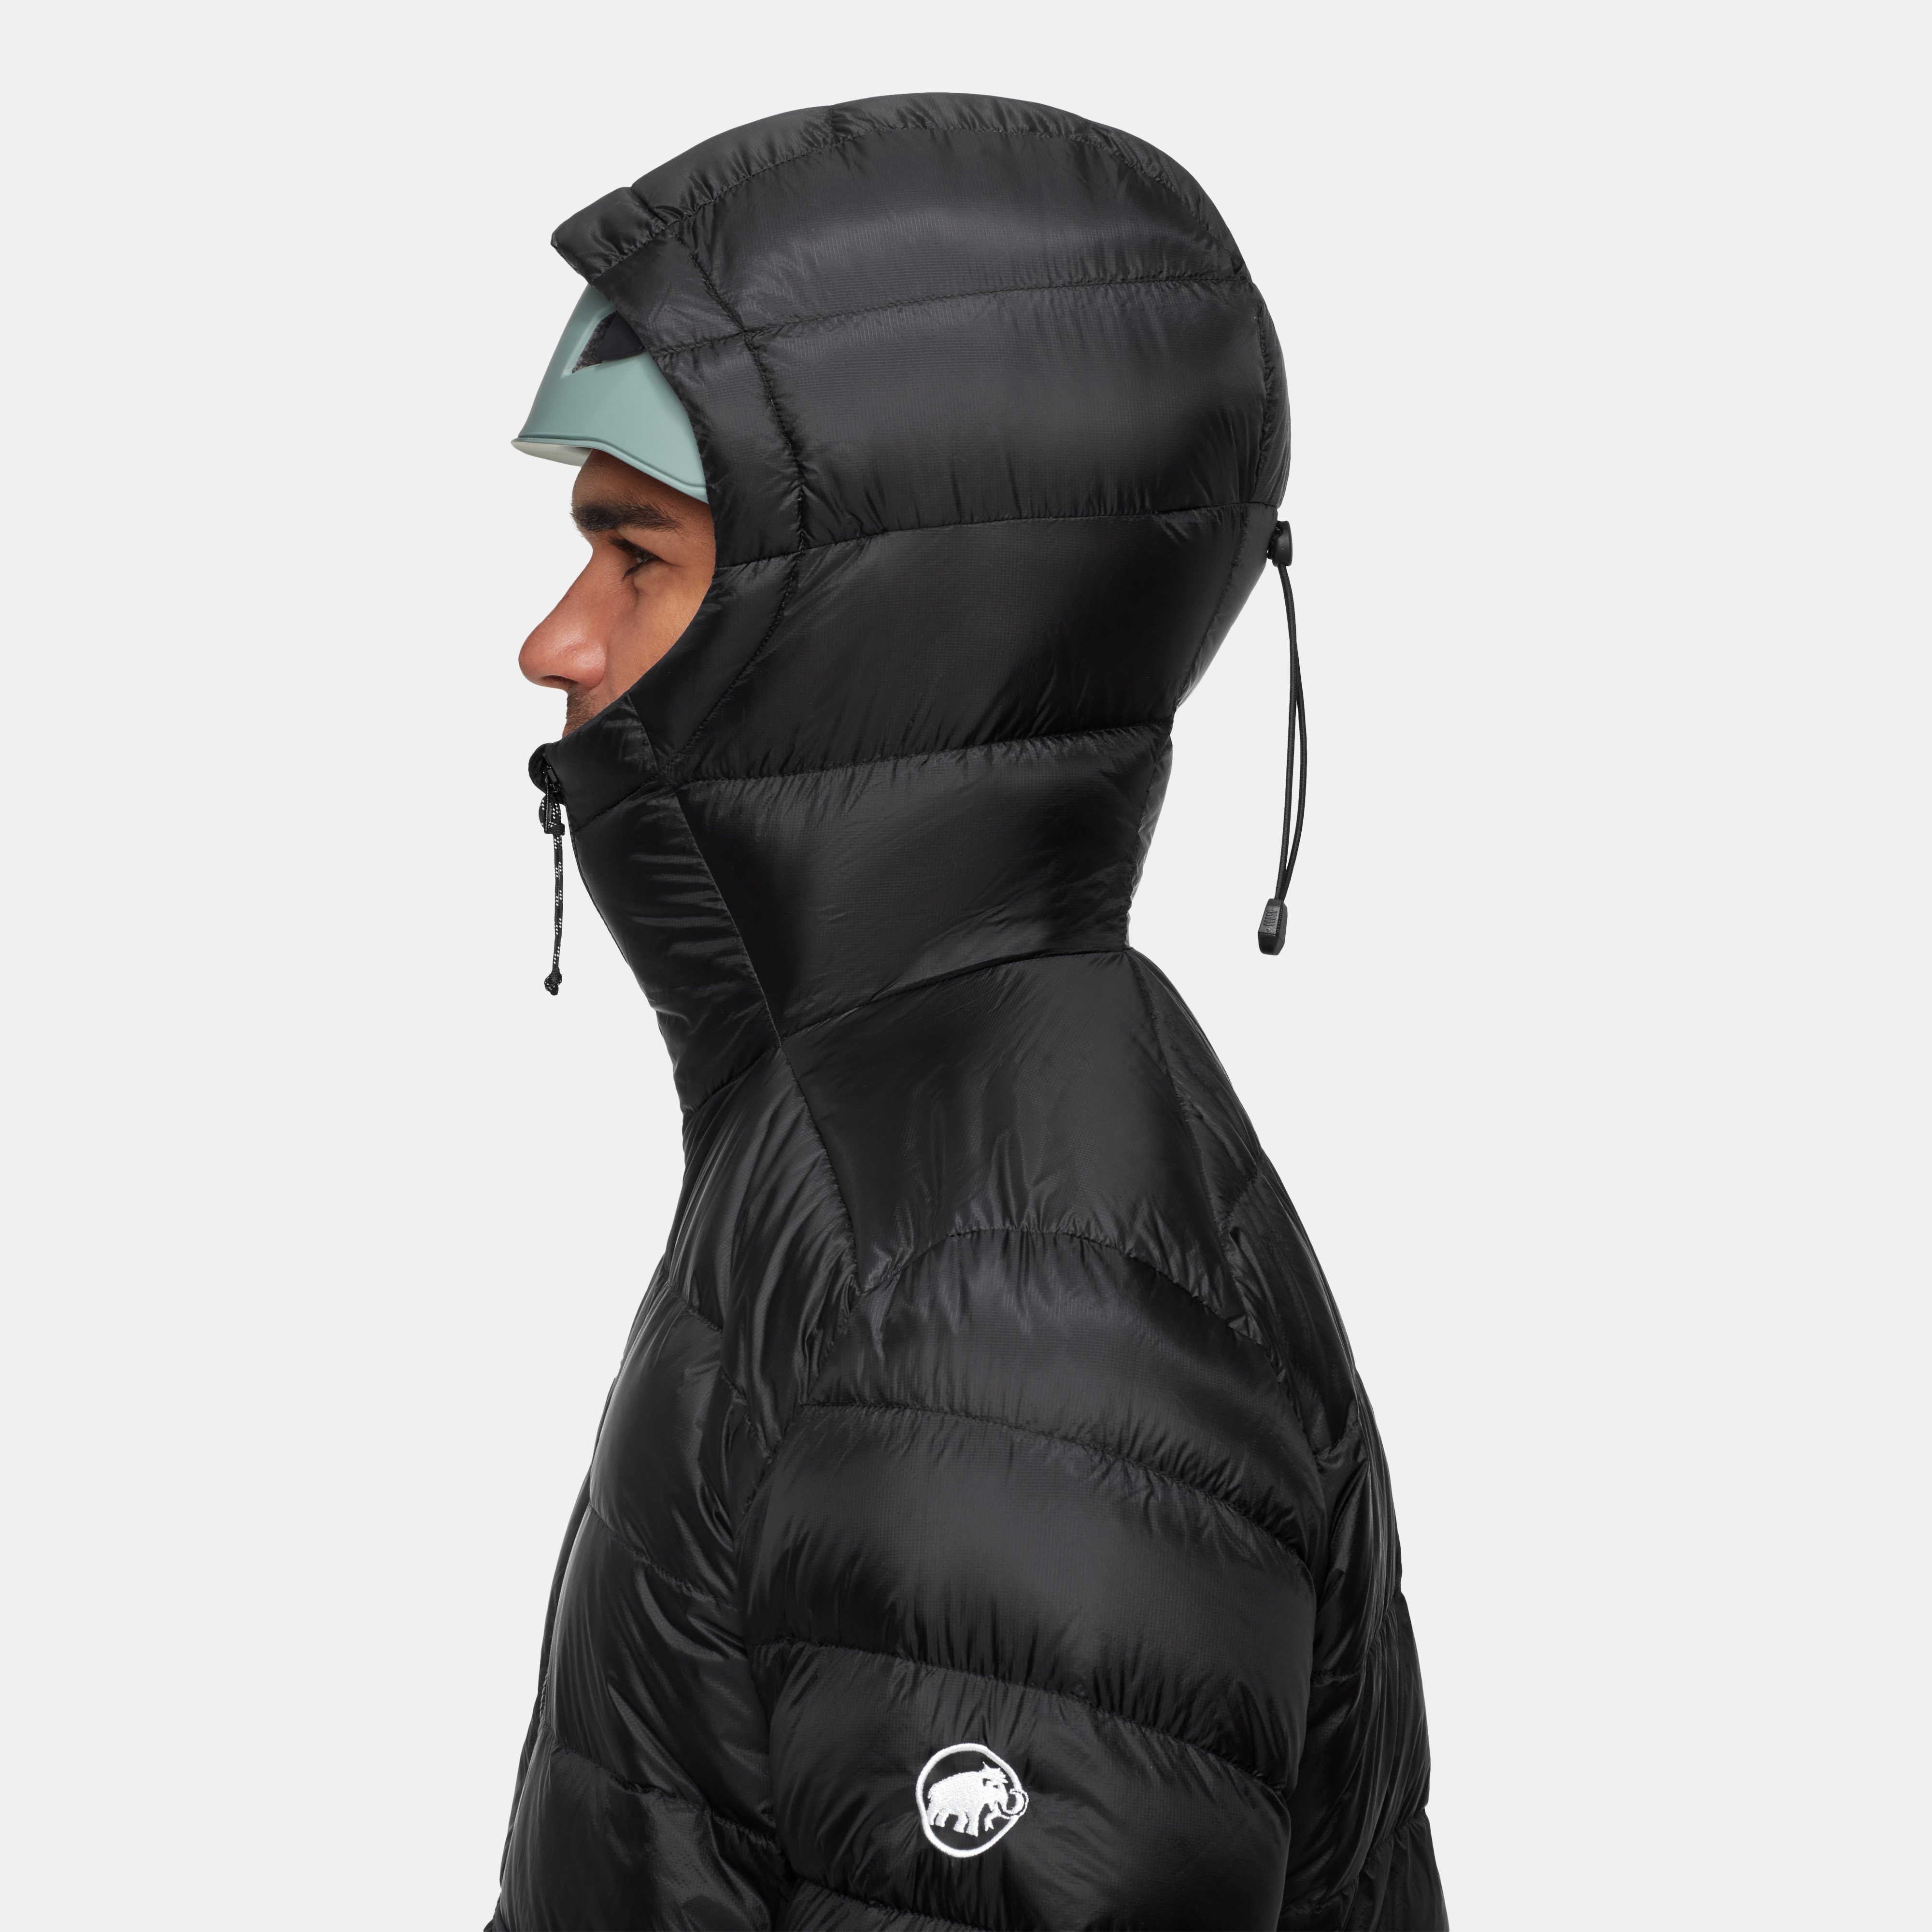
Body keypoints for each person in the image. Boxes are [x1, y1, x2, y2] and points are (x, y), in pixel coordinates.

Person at [489, 93, 1446, 1932]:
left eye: (637, 557)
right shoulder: (920, 1156)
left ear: (862, 625)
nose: (555, 640)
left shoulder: (984, 1299)